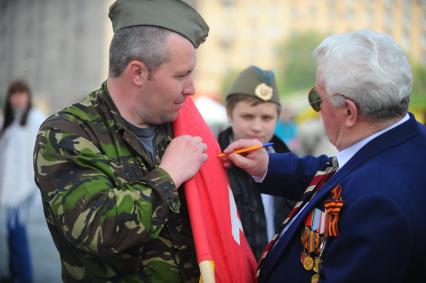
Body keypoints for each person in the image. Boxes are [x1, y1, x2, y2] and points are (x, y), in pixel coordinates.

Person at [222, 30, 426, 283]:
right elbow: (337, 173)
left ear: (349, 112)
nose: (316, 107)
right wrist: (267, 166)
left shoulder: (378, 201)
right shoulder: (403, 143)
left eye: (317, 98)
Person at [33, 0, 209, 282]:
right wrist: (169, 175)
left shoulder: (179, 124)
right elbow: (98, 229)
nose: (192, 88)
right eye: (181, 75)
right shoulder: (67, 133)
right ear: (137, 72)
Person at [217, 66, 294, 260]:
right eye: (247, 116)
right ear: (229, 114)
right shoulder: (211, 162)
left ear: (278, 117)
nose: (257, 127)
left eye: (267, 118)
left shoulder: (289, 163)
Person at [0, 80, 46, 283]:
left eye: (21, 94)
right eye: (14, 94)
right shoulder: (10, 121)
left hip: (26, 187)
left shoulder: (35, 118)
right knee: (11, 232)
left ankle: (24, 277)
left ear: (28, 96)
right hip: (10, 188)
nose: (17, 98)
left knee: (17, 232)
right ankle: (15, 272)